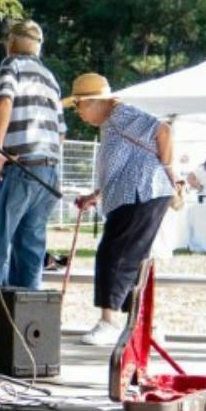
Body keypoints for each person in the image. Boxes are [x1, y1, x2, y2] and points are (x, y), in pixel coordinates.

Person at [65, 72, 178, 347]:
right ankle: (142, 323)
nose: (77, 112)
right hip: (133, 193)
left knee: (114, 255)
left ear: (94, 101)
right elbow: (119, 164)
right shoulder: (111, 122)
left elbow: (162, 130)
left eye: (78, 105)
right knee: (131, 258)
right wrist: (97, 194)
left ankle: (110, 322)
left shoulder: (120, 114)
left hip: (142, 191)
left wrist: (167, 169)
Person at [0, 18, 63, 289]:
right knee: (31, 252)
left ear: (10, 43)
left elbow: (4, 101)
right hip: (47, 172)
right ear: (38, 47)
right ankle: (26, 321)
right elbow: (61, 132)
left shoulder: (11, 65)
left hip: (17, 167)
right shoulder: (50, 78)